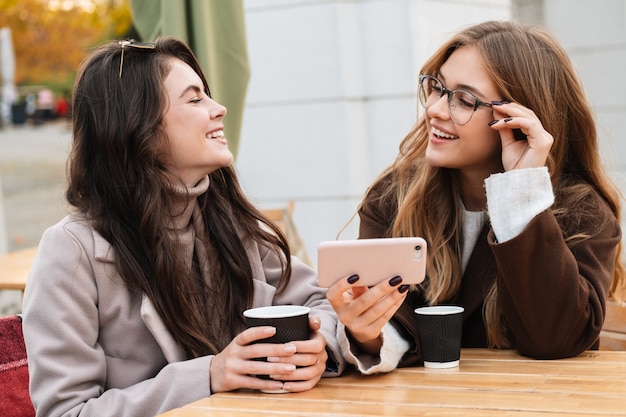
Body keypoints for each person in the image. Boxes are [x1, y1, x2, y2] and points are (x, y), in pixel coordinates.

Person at [22, 36, 344, 417]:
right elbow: (66, 412)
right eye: (195, 99)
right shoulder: (72, 252)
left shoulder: (229, 222)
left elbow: (320, 302)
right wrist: (207, 375)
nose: (219, 108)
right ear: (137, 127)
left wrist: (317, 343)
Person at [326, 20, 625, 374]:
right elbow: (390, 326)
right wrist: (367, 331)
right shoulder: (395, 196)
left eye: (464, 100)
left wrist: (521, 190)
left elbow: (556, 338)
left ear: (517, 119)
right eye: (437, 88)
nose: (435, 109)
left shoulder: (580, 211)